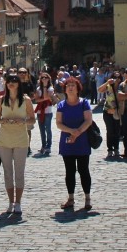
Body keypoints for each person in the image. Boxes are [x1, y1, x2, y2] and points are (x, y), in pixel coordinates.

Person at [0, 74, 34, 216]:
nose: (11, 83)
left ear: (18, 84)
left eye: (14, 81)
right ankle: (11, 201)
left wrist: (22, 121)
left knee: (19, 171)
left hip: (21, 139)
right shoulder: (1, 100)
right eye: (9, 81)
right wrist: (3, 121)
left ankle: (18, 203)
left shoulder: (26, 100)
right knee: (7, 171)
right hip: (4, 139)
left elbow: (32, 120)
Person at [56, 78, 93, 211]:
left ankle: (87, 198)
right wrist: (72, 131)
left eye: (73, 86)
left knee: (84, 170)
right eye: (68, 86)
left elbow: (88, 120)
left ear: (78, 89)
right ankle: (71, 198)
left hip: (82, 141)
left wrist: (77, 133)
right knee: (69, 171)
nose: (70, 88)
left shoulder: (84, 103)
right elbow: (58, 123)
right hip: (67, 141)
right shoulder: (61, 105)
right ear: (65, 89)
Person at [98, 72, 122, 158]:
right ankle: (110, 149)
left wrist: (115, 109)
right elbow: (99, 90)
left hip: (117, 112)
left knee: (117, 131)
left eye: (118, 77)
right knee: (110, 131)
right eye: (114, 77)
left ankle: (116, 149)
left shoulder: (122, 87)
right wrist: (107, 82)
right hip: (107, 111)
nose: (116, 79)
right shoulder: (108, 87)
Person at [33, 72, 56, 155]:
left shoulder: (50, 88)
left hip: (48, 111)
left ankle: (48, 146)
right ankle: (43, 146)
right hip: (40, 111)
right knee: (42, 129)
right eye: (42, 78)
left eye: (45, 77)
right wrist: (43, 99)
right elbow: (36, 100)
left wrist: (45, 87)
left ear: (48, 79)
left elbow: (46, 97)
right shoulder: (38, 88)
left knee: (48, 129)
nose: (44, 79)